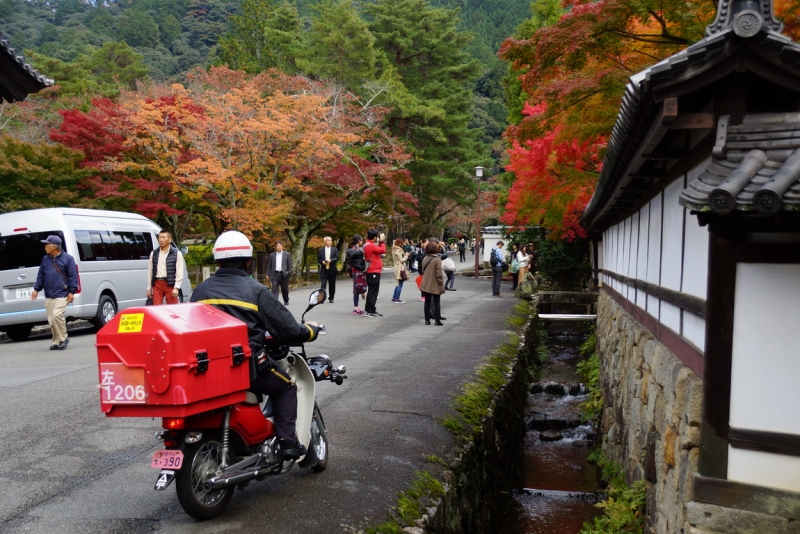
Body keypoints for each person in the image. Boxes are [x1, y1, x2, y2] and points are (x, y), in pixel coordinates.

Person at [191, 231, 320, 459]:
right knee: (287, 387)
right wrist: (310, 331)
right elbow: (287, 328)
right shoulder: (255, 290)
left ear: (218, 261)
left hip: (209, 368)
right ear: (248, 262)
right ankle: (288, 442)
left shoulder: (200, 291)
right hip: (246, 368)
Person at [31, 235, 79, 350]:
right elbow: (41, 276)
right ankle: (57, 341)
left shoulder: (68, 258)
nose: (45, 247)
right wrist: (36, 289)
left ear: (54, 247)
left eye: (47, 244)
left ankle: (63, 338)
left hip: (62, 293)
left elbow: (73, 277)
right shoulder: (45, 259)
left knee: (57, 315)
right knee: (51, 320)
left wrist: (72, 291)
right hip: (49, 295)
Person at [146, 230, 185, 305]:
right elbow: (150, 272)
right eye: (159, 237)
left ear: (170, 240)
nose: (161, 240)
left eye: (163, 237)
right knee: (156, 309)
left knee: (172, 308)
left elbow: (179, 272)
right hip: (157, 284)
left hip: (170, 284)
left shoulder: (177, 253)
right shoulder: (154, 253)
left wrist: (176, 287)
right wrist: (149, 288)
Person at [362, 228, 386, 317]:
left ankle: (369, 310)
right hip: (373, 271)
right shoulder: (370, 245)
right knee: (373, 291)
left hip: (372, 270)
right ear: (375, 237)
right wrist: (382, 242)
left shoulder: (367, 244)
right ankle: (371, 310)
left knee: (371, 291)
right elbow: (383, 250)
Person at [420, 241, 445, 325]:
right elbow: (439, 273)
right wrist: (441, 283)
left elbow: (422, 270)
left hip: (426, 282)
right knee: (436, 301)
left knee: (427, 302)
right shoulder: (437, 259)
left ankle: (427, 320)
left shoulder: (425, 258)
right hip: (435, 283)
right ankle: (437, 320)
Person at [346, 235, 367, 314]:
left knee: (356, 288)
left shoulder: (351, 250)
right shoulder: (359, 250)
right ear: (358, 240)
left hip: (354, 270)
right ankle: (355, 308)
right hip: (359, 270)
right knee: (357, 288)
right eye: (361, 240)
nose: (362, 241)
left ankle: (356, 307)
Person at [268, 241, 292, 305]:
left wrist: (288, 273)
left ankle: (286, 300)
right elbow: (269, 265)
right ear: (275, 247)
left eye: (280, 245)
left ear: (282, 247)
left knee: (284, 289)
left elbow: (289, 265)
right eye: (277, 246)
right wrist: (267, 274)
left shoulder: (287, 254)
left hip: (284, 274)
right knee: (274, 289)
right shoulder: (272, 255)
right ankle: (275, 302)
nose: (279, 247)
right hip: (275, 274)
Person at [317, 236, 339, 303]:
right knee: (323, 284)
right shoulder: (321, 250)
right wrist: (322, 262)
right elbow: (318, 259)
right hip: (324, 269)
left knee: (332, 285)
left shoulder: (334, 249)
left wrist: (331, 260)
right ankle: (322, 298)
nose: (330, 242)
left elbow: (337, 258)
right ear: (325, 242)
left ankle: (331, 298)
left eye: (331, 240)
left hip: (332, 269)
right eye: (328, 240)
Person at [391, 238, 409, 303]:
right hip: (400, 267)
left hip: (396, 267)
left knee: (397, 283)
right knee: (400, 284)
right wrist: (406, 256)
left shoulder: (394, 249)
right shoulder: (398, 250)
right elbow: (401, 260)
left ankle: (394, 297)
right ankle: (397, 298)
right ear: (400, 243)